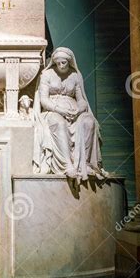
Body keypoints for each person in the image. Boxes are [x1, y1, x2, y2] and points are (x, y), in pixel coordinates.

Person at [33, 47, 108, 183]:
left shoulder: (75, 75)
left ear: (69, 61)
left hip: (74, 110)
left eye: (64, 63)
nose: (61, 65)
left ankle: (85, 164)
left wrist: (78, 110)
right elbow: (43, 100)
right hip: (52, 110)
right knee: (59, 123)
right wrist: (59, 109)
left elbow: (81, 99)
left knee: (89, 122)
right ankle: (67, 164)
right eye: (58, 63)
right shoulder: (47, 74)